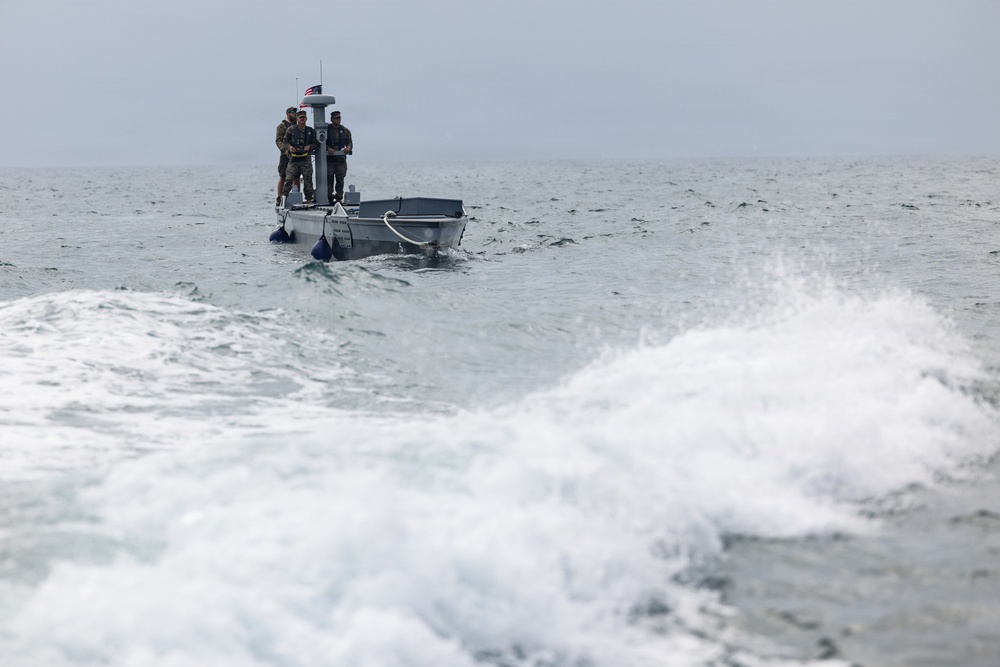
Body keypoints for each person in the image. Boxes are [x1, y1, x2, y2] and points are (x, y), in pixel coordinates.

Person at [282, 110, 317, 203]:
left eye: (303, 117)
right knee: (288, 179)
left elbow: (315, 143)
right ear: (297, 118)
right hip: (293, 159)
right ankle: (284, 198)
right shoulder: (291, 130)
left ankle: (309, 199)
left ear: (306, 119)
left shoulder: (311, 131)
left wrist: (310, 146)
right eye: (300, 117)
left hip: (305, 159)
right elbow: (285, 141)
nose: (302, 119)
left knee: (308, 179)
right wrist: (290, 147)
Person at [325, 110, 353, 204]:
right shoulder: (326, 130)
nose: (338, 120)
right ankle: (329, 197)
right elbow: (321, 142)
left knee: (340, 178)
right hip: (329, 159)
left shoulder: (345, 130)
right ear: (332, 119)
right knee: (329, 178)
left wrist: (348, 148)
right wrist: (328, 148)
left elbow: (349, 142)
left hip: (340, 159)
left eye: (339, 118)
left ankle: (339, 196)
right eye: (336, 118)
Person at [275, 107, 297, 205]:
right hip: (285, 155)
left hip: (297, 155)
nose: (294, 114)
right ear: (287, 114)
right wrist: (284, 150)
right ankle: (279, 197)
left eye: (295, 112)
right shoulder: (282, 126)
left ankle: (296, 196)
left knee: (296, 177)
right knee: (283, 176)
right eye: (292, 112)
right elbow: (278, 140)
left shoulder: (297, 126)